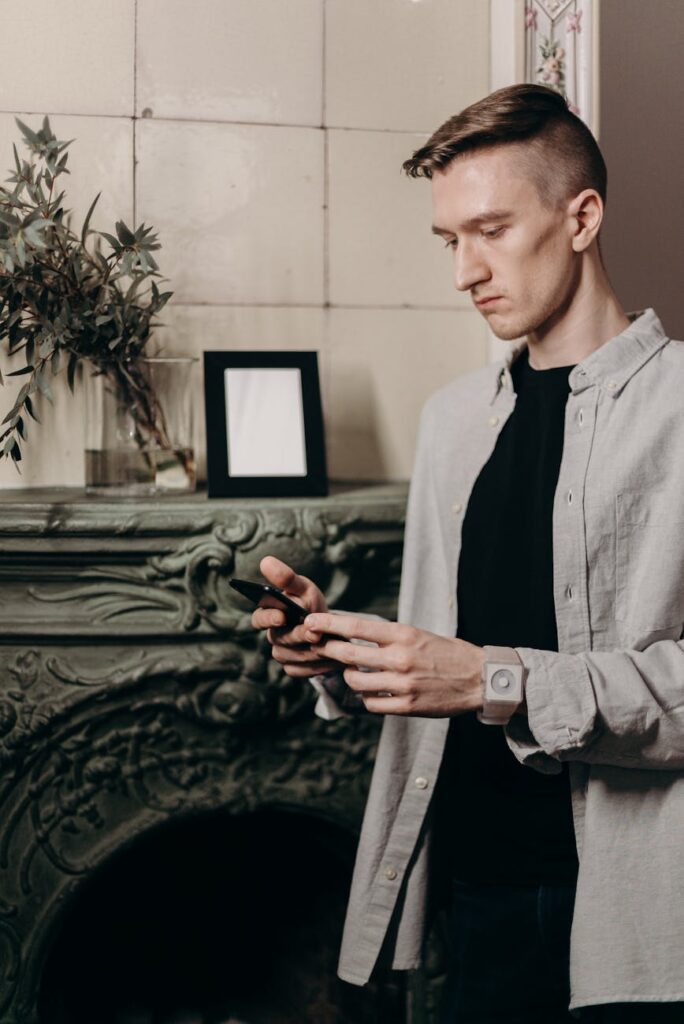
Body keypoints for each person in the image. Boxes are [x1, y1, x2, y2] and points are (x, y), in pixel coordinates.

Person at [251, 85, 684, 1022]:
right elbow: (445, 660)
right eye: (449, 240)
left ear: (582, 217)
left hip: (644, 910)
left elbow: (483, 672)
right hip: (471, 885)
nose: (463, 271)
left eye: (489, 229)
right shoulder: (452, 422)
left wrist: (500, 679)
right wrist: (339, 657)